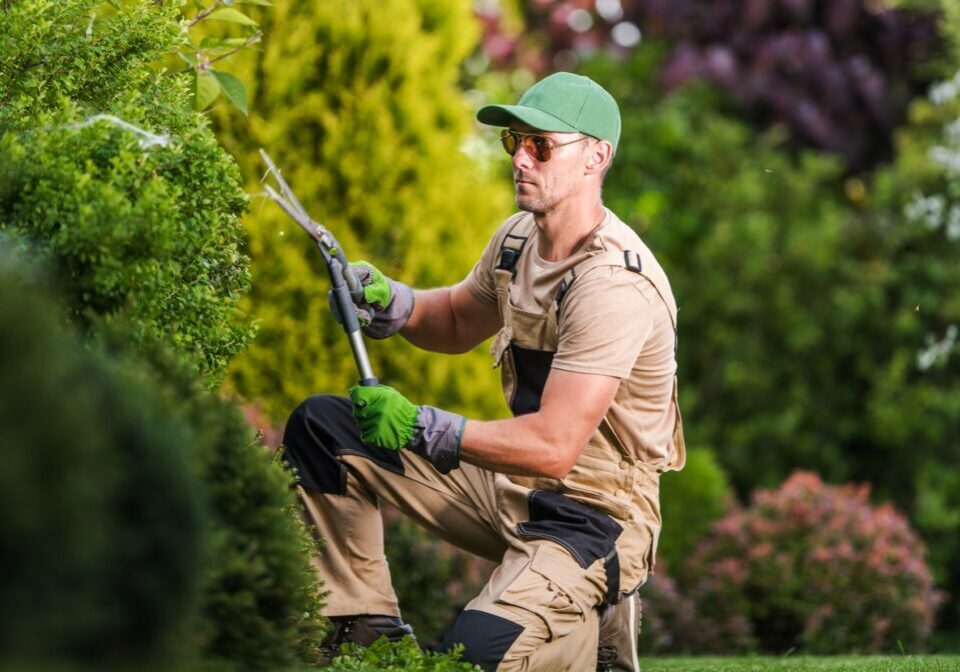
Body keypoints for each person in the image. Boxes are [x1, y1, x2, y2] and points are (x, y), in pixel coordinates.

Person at [282, 72, 685, 671]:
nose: (520, 159)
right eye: (513, 143)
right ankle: (368, 629)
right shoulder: (518, 241)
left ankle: (590, 623)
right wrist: (390, 300)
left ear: (596, 157)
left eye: (541, 146)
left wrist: (421, 425)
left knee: (470, 659)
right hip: (515, 491)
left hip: (595, 520)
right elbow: (451, 321)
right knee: (325, 430)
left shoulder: (614, 286)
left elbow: (552, 446)